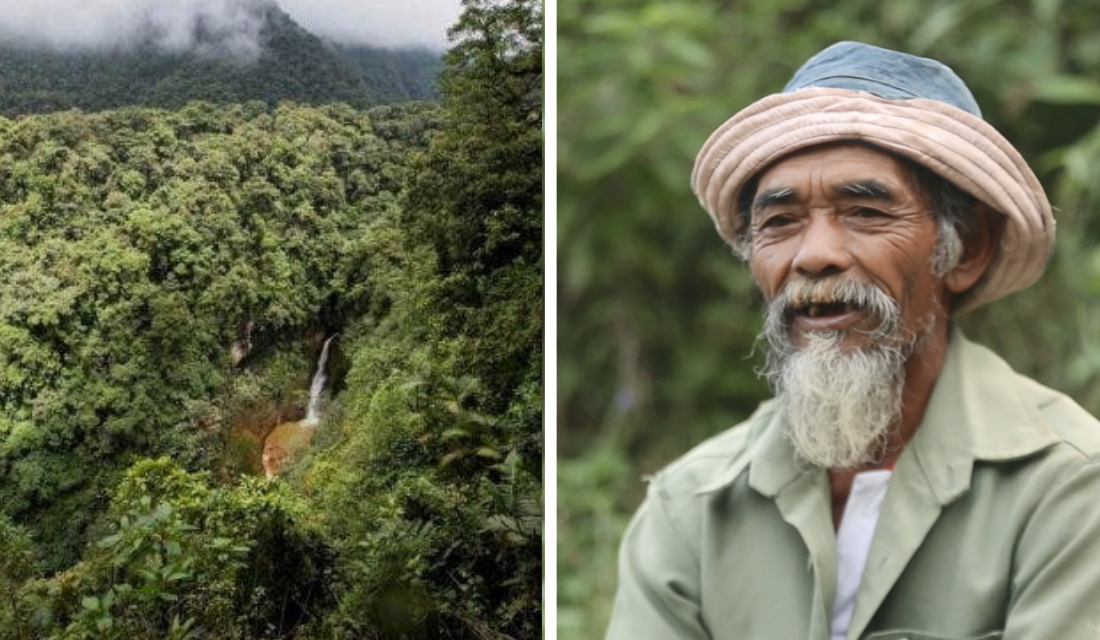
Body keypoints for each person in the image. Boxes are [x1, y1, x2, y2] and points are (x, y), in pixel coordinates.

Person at [605, 41, 1100, 640]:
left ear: (966, 248)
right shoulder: (692, 507)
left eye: (865, 212)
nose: (814, 256)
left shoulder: (1072, 486)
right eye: (780, 222)